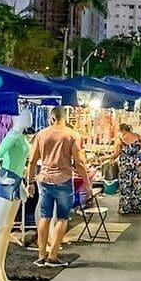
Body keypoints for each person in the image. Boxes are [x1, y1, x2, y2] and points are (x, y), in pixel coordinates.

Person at [26, 106, 92, 267]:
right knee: (62, 218)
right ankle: (53, 255)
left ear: (52, 118)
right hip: (63, 180)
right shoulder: (72, 135)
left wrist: (30, 182)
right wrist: (87, 185)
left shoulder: (41, 134)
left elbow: (32, 161)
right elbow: (79, 162)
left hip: (44, 180)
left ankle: (41, 255)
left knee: (44, 217)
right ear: (64, 118)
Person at [113, 123, 141, 215]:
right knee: (136, 184)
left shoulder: (120, 139)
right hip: (136, 164)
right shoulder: (138, 137)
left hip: (125, 164)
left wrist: (109, 158)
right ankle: (137, 207)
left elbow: (116, 153)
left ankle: (125, 207)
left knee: (125, 185)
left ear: (122, 130)